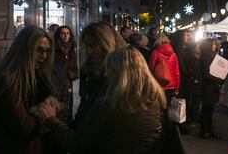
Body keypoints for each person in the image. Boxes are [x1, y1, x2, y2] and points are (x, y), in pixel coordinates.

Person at [39, 46, 167, 153]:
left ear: (118, 74)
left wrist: (52, 120)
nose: (106, 74)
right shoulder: (156, 100)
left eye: (109, 70)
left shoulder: (109, 105)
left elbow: (76, 144)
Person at [0, 26, 56, 154]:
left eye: (47, 51)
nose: (44, 56)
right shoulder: (9, 80)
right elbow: (22, 125)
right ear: (24, 49)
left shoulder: (33, 75)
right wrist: (44, 115)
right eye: (39, 50)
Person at [74, 22, 126, 128]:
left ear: (105, 44)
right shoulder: (88, 69)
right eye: (87, 46)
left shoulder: (119, 74)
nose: (89, 51)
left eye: (93, 46)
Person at [51, 26, 78, 124]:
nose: (66, 36)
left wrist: (73, 74)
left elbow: (75, 69)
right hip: (56, 87)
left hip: (68, 86)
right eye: (63, 33)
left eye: (68, 33)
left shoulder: (71, 50)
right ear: (58, 35)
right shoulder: (53, 49)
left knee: (67, 109)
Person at [199, 38, 224, 139]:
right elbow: (206, 74)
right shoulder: (205, 57)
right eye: (213, 44)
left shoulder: (212, 55)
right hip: (208, 86)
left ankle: (209, 130)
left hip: (212, 86)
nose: (215, 45)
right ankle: (204, 131)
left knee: (210, 110)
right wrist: (219, 79)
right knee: (206, 110)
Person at [149, 34, 180, 100]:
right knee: (168, 105)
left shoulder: (155, 53)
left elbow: (151, 69)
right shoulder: (173, 54)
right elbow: (176, 72)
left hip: (159, 83)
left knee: (159, 105)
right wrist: (177, 87)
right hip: (171, 84)